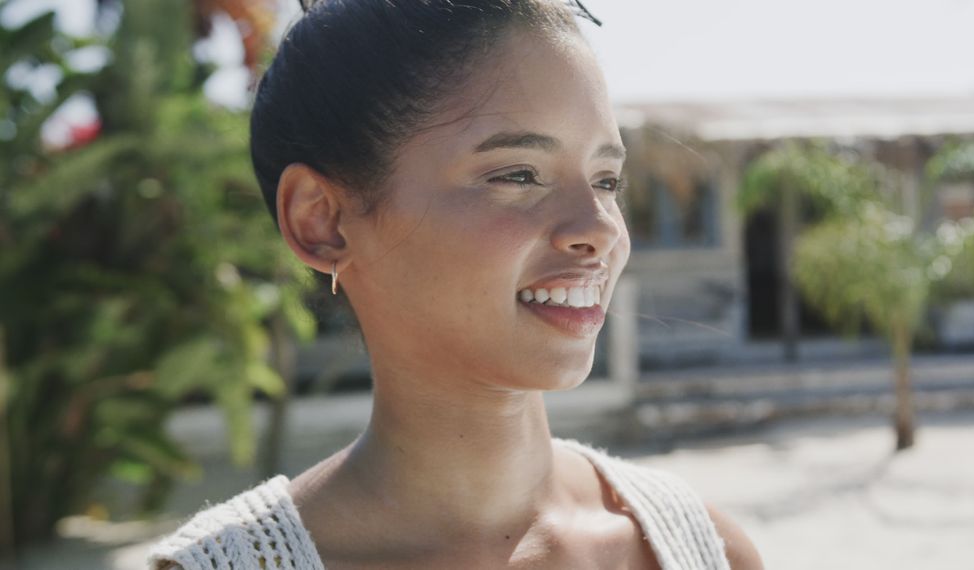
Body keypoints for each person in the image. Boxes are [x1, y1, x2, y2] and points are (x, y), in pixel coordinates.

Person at [148, 0, 762, 568]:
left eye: (606, 180)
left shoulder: (698, 548)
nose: (600, 230)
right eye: (519, 174)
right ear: (322, 220)